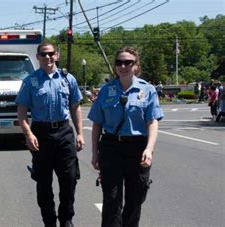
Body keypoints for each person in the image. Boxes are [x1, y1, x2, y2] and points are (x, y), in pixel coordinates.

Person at [88, 46, 164, 227]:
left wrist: (149, 149)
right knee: (112, 201)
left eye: (128, 62)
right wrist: (94, 153)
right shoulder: (106, 91)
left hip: (137, 148)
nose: (123, 66)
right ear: (115, 66)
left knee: (135, 199)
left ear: (136, 66)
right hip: (111, 148)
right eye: (119, 62)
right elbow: (97, 123)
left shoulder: (148, 90)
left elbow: (152, 121)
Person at [16, 42, 85, 227]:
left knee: (69, 179)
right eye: (44, 54)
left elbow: (75, 107)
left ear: (57, 55)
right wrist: (28, 133)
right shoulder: (30, 81)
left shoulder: (67, 79)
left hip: (64, 132)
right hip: (41, 133)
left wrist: (80, 133)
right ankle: (49, 221)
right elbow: (22, 110)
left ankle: (66, 219)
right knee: (43, 182)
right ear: (37, 57)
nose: (48, 57)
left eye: (51, 54)